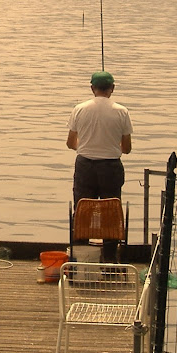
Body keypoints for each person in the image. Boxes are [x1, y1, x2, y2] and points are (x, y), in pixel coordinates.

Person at [67, 71, 133, 260]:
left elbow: (71, 143)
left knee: (82, 211)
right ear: (112, 88)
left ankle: (80, 257)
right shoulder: (122, 111)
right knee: (111, 212)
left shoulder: (79, 109)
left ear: (92, 88)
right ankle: (110, 259)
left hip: (84, 166)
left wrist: (87, 146)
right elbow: (127, 148)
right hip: (111, 167)